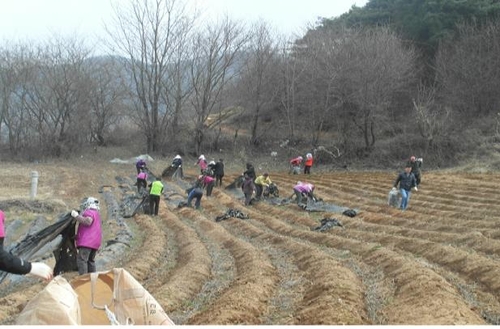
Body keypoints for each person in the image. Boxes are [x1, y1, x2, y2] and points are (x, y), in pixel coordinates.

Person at [70, 197, 102, 275]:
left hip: (87, 242)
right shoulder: (97, 214)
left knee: (82, 260)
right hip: (95, 242)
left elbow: (88, 222)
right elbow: (90, 229)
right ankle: (93, 279)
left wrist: (76, 216)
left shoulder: (89, 212)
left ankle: (83, 279)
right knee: (91, 261)